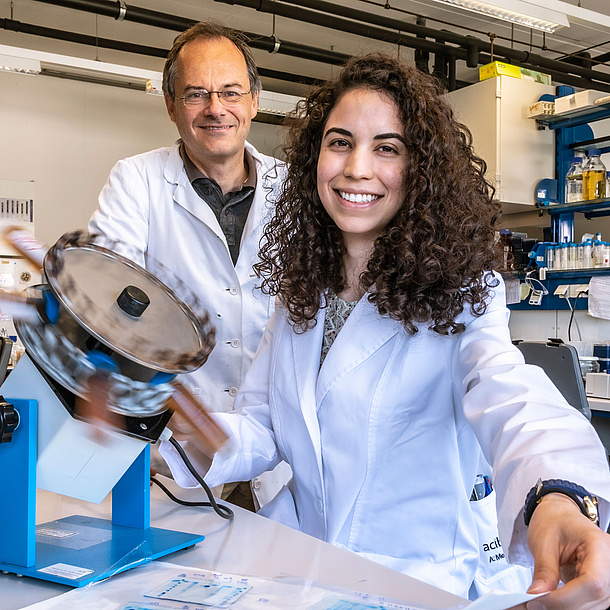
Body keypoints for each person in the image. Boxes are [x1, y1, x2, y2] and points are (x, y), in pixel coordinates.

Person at [160, 53, 610, 606]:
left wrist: (557, 497)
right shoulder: (302, 291)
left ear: (420, 171)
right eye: (340, 142)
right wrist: (194, 430)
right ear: (314, 159)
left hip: (415, 582)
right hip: (306, 568)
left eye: (387, 148)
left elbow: (510, 397)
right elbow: (266, 424)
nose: (356, 168)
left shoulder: (463, 294)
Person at [88, 21, 290, 510]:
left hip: (280, 450)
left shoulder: (296, 191)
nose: (216, 109)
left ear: (255, 101)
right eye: (197, 94)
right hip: (178, 450)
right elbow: (104, 293)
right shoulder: (138, 181)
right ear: (171, 105)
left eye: (230, 92)